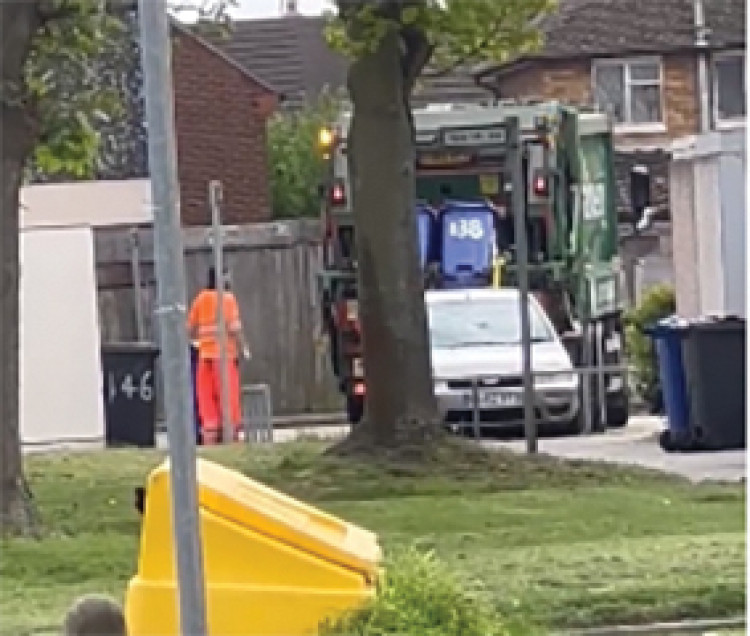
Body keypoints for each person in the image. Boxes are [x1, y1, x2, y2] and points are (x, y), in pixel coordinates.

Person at [187, 267, 250, 445]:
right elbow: (234, 328)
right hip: (224, 357)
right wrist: (243, 347)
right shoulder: (227, 299)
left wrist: (197, 342)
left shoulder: (201, 298)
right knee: (229, 403)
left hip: (204, 357)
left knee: (207, 405)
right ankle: (232, 443)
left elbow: (189, 328)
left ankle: (210, 445)